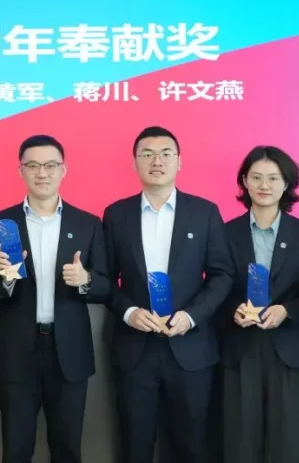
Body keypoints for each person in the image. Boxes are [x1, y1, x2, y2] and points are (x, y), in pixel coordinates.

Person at [102, 126, 234, 463]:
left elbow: (222, 274)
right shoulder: (116, 215)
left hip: (190, 349)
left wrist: (191, 316)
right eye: (147, 154)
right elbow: (105, 280)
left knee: (192, 446)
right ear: (134, 163)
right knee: (136, 445)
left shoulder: (204, 212)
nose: (156, 161)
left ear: (179, 162)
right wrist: (129, 312)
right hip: (135, 349)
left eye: (165, 154)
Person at [0, 134, 110, 463]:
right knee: (16, 449)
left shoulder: (88, 224)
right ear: (20, 170)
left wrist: (86, 280)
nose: (42, 173)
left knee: (67, 449)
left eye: (50, 165)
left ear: (64, 169)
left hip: (70, 351)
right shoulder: (1, 223)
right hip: (17, 349)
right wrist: (6, 279)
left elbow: (106, 285)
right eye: (33, 165)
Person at [221, 146, 299, 463]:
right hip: (241, 349)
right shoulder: (225, 233)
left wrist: (288, 310)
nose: (264, 185)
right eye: (256, 177)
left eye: (273, 178)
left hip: (292, 350)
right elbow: (214, 287)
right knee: (241, 444)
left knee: (292, 445)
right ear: (244, 182)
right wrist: (233, 309)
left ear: (286, 183)